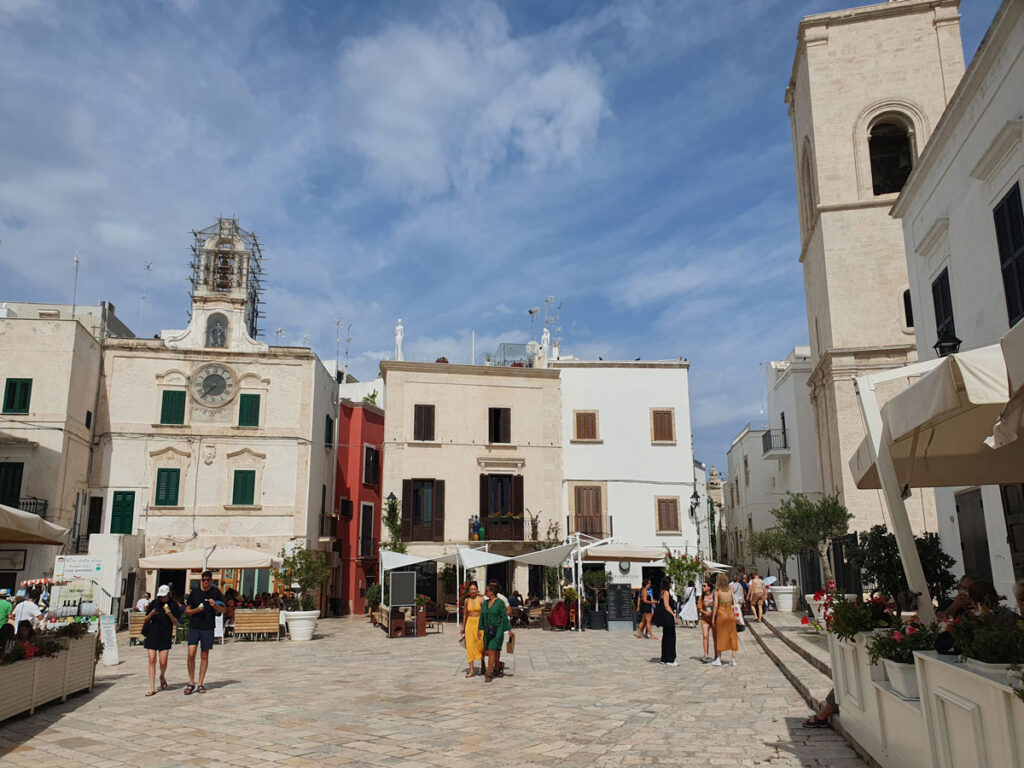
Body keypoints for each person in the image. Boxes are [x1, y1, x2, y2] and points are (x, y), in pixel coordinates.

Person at [183, 570, 224, 695]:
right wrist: (196, 610)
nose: (205, 582)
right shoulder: (194, 593)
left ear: (211, 580)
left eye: (208, 580)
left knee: (204, 655)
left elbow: (223, 609)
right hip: (195, 627)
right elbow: (187, 611)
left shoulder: (216, 593)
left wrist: (214, 606)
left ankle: (200, 683)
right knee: (191, 653)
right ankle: (191, 682)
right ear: (201, 580)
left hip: (208, 628)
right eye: (203, 580)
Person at [143, 585, 179, 696]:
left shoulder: (173, 605)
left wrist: (169, 614)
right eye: (161, 596)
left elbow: (176, 622)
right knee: (152, 659)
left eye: (164, 596)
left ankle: (162, 675)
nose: (162, 598)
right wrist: (151, 614)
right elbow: (145, 619)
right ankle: (152, 687)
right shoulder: (155, 603)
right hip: (152, 633)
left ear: (169, 595)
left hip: (165, 634)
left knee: (163, 661)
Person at [479, 583, 512, 682]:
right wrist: (479, 629)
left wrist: (509, 630)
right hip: (487, 630)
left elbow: (504, 616)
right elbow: (482, 616)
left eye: (487, 591)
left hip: (498, 630)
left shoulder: (500, 603)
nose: (485, 592)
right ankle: (498, 665)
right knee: (488, 651)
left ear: (492, 592)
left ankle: (489, 673)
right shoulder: (485, 603)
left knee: (492, 649)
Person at [712, 572, 739, 666]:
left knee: (720, 636)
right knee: (732, 636)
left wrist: (713, 617)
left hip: (721, 614)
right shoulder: (730, 590)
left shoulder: (717, 591)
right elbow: (732, 602)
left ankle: (719, 658)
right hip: (730, 615)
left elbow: (715, 606)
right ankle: (733, 659)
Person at [461, 583, 484, 678]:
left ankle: (483, 664)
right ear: (469, 591)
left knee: (480, 645)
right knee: (470, 646)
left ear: (477, 590)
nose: (473, 591)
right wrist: (463, 626)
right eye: (471, 589)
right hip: (469, 624)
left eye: (474, 589)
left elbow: (484, 614)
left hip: (479, 623)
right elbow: (465, 614)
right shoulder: (467, 600)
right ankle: (471, 670)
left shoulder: (481, 600)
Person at [658, 577, 679, 666]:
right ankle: (670, 659)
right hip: (668, 616)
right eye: (671, 582)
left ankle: (664, 657)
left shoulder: (662, 592)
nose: (672, 584)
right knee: (671, 637)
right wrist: (674, 616)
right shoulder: (666, 593)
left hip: (664, 617)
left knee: (666, 636)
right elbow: (667, 606)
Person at [698, 581, 715, 662]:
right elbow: (699, 607)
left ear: (709, 587)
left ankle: (716, 655)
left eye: (704, 586)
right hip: (705, 619)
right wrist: (705, 612)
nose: (703, 587)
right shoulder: (702, 597)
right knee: (705, 636)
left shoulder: (714, 596)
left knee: (715, 637)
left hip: (713, 618)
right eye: (702, 586)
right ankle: (706, 654)